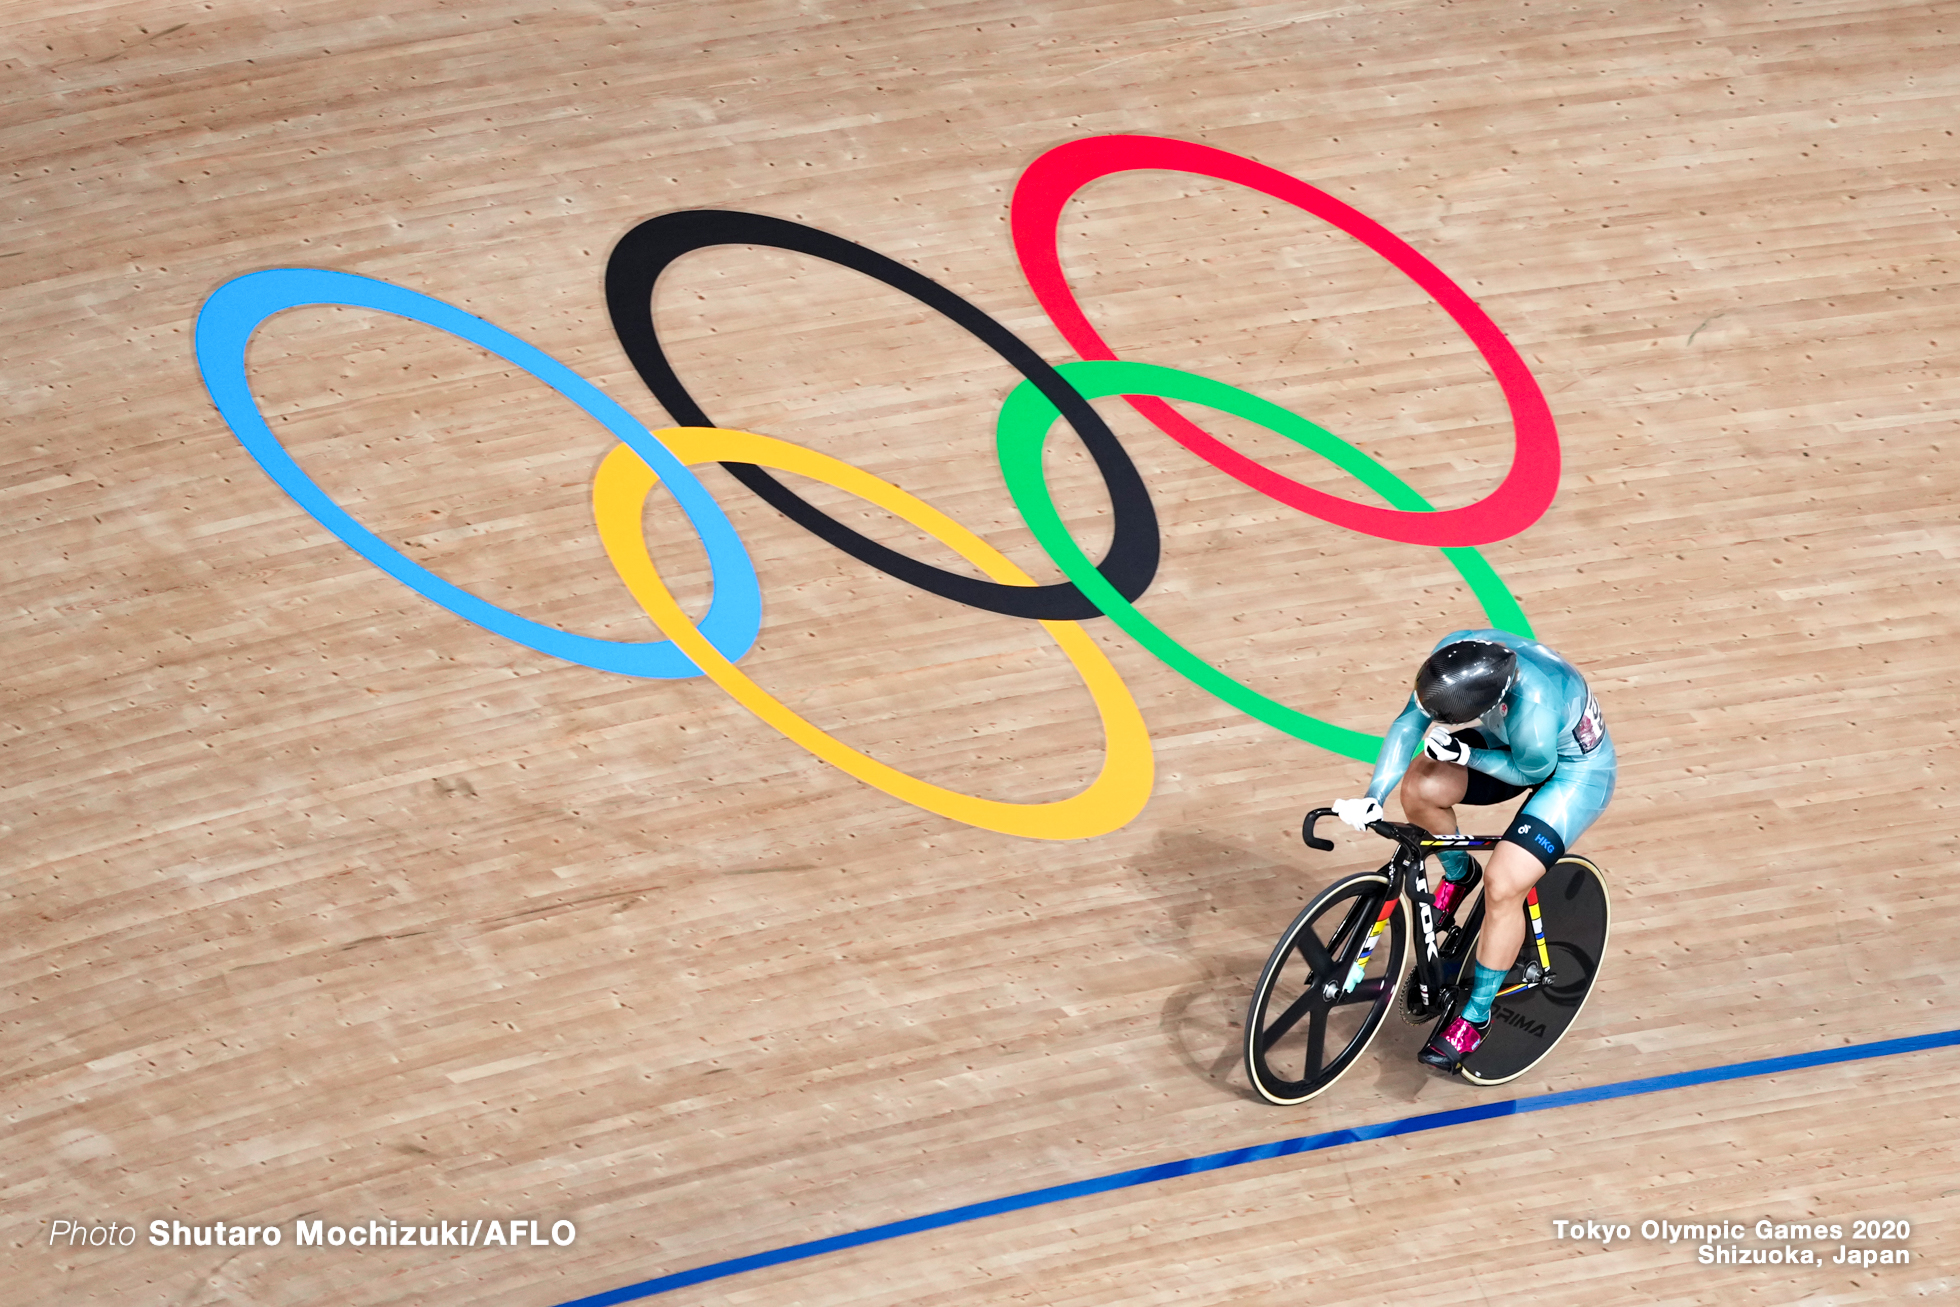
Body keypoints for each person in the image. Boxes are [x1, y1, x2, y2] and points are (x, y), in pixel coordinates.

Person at [1331, 629, 1615, 1072]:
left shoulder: (1535, 704)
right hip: (1515, 743)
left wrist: (1465, 753)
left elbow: (1526, 771)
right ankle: (1458, 873)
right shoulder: (1456, 656)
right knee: (1421, 787)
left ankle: (1476, 1016)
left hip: (1572, 776)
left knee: (1503, 884)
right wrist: (1374, 794)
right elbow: (1410, 722)